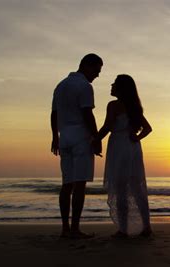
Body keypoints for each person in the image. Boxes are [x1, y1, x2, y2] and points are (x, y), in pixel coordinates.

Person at [51, 53, 103, 239]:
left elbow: (54, 114)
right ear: (87, 66)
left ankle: (65, 228)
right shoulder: (84, 86)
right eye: (97, 70)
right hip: (80, 137)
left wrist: (54, 137)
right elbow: (87, 114)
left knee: (67, 184)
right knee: (79, 185)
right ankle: (75, 229)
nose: (97, 75)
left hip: (64, 137)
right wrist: (96, 138)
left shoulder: (61, 85)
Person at [96, 74, 152, 237]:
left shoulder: (113, 105)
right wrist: (137, 137)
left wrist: (94, 140)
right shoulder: (134, 107)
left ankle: (123, 229)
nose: (111, 86)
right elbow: (148, 128)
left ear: (121, 88)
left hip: (119, 146)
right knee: (137, 187)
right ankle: (146, 227)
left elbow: (107, 126)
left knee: (120, 187)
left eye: (114, 84)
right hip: (133, 148)